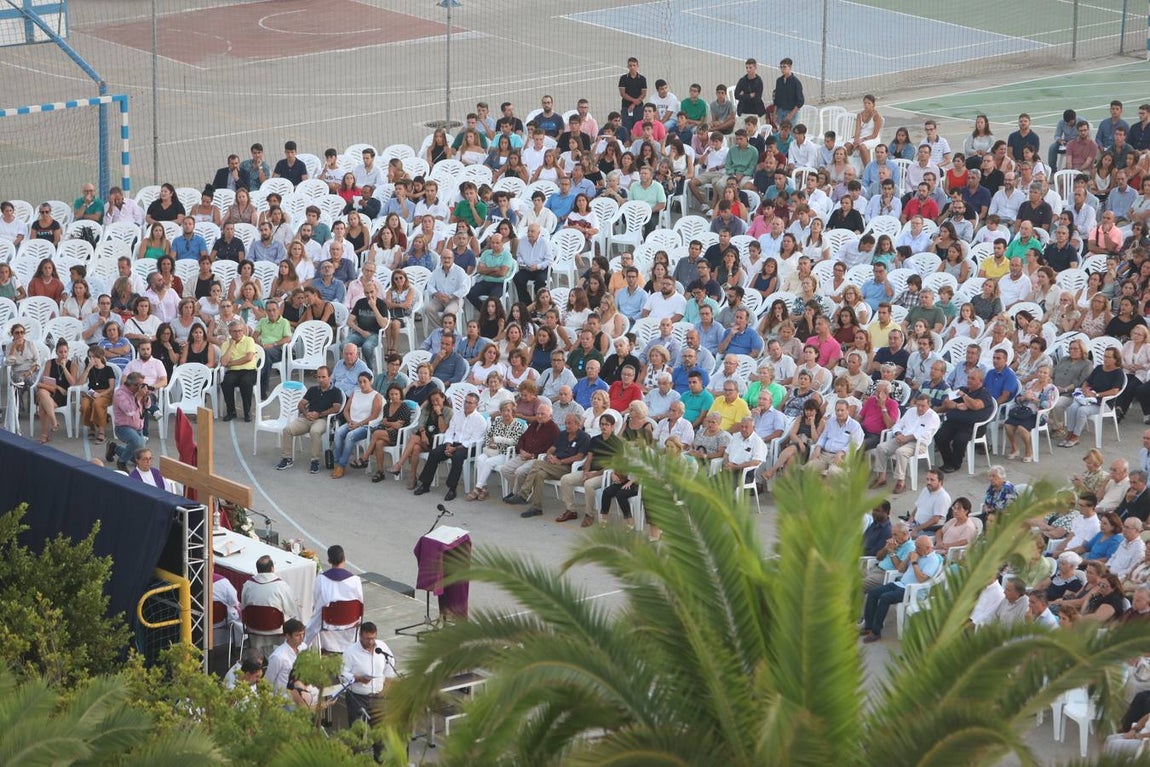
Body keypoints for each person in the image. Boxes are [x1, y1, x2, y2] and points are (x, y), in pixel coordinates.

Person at [861, 535, 943, 643]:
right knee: (873, 593)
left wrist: (914, 562)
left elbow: (922, 579)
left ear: (928, 548)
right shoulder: (917, 554)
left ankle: (876, 632)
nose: (916, 549)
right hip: (900, 584)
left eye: (918, 547)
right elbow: (900, 569)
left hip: (913, 591)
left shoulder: (933, 560)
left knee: (885, 598)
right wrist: (908, 559)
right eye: (915, 546)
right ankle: (869, 627)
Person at [509, 412, 590, 519]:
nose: (567, 426)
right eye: (566, 423)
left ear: (578, 424)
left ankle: (523, 494)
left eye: (570, 423)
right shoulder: (563, 434)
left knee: (537, 463)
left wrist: (561, 461)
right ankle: (536, 507)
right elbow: (552, 449)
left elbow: (579, 457)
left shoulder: (584, 437)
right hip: (553, 465)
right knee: (539, 474)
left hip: (567, 467)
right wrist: (549, 456)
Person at [413, 392, 487, 501]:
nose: (467, 405)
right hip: (452, 443)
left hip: (468, 447)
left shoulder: (480, 420)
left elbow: (473, 440)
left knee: (457, 457)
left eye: (470, 403)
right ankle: (425, 485)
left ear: (476, 405)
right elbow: (449, 431)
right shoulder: (458, 415)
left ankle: (452, 488)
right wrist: (448, 445)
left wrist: (455, 449)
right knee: (434, 453)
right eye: (466, 402)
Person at [276, 366, 344, 475]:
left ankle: (315, 461)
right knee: (287, 430)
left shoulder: (336, 392)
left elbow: (336, 408)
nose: (320, 379)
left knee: (315, 431)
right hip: (307, 418)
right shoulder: (313, 390)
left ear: (330, 377)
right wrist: (306, 413)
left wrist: (319, 414)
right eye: (318, 377)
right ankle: (287, 458)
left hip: (322, 419)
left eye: (323, 377)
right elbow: (301, 404)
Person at [340, 621, 398, 747]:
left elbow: (390, 663)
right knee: (357, 732)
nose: (370, 642)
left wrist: (386, 685)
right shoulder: (350, 652)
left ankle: (378, 761)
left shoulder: (381, 647)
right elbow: (342, 674)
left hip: (378, 696)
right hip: (358, 697)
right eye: (367, 639)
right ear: (360, 636)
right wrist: (358, 678)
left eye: (373, 638)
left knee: (379, 732)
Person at [871, 393, 941, 493]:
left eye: (923, 406)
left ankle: (901, 482)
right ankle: (881, 478)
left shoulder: (933, 417)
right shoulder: (911, 411)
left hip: (918, 444)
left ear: (929, 405)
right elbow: (899, 424)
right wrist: (898, 434)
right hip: (902, 438)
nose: (920, 408)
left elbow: (924, 434)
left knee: (901, 452)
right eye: (918, 405)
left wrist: (906, 438)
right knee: (881, 447)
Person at [934, 367, 994, 473]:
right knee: (939, 436)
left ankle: (956, 464)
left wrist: (964, 397)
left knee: (959, 440)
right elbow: (947, 401)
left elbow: (975, 405)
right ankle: (948, 462)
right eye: (968, 378)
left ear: (980, 381)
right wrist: (957, 406)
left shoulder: (984, 394)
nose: (969, 380)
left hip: (972, 427)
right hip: (954, 422)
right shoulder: (962, 389)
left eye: (973, 378)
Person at [305, 545, 364, 652]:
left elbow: (316, 602)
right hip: (350, 622)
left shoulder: (321, 579)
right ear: (344, 558)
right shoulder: (355, 580)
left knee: (313, 620)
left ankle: (309, 648)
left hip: (328, 623)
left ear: (329, 560)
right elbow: (360, 602)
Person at [240, 554, 300, 653]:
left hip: (254, 628)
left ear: (257, 569)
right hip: (276, 630)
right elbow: (291, 610)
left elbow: (243, 606)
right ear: (272, 569)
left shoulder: (248, 585)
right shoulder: (281, 586)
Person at [104, 371, 149, 471]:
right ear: (133, 385)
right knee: (138, 442)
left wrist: (145, 397)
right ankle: (121, 462)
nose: (142, 387)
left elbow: (148, 406)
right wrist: (139, 397)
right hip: (123, 428)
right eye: (140, 385)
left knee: (137, 457)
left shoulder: (137, 393)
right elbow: (129, 411)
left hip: (138, 428)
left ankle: (114, 448)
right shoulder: (120, 394)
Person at [266, 619, 307, 701]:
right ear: (287, 636)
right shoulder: (278, 657)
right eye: (297, 635)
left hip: (302, 693)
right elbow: (267, 682)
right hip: (285, 700)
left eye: (303, 634)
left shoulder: (303, 647)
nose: (302, 638)